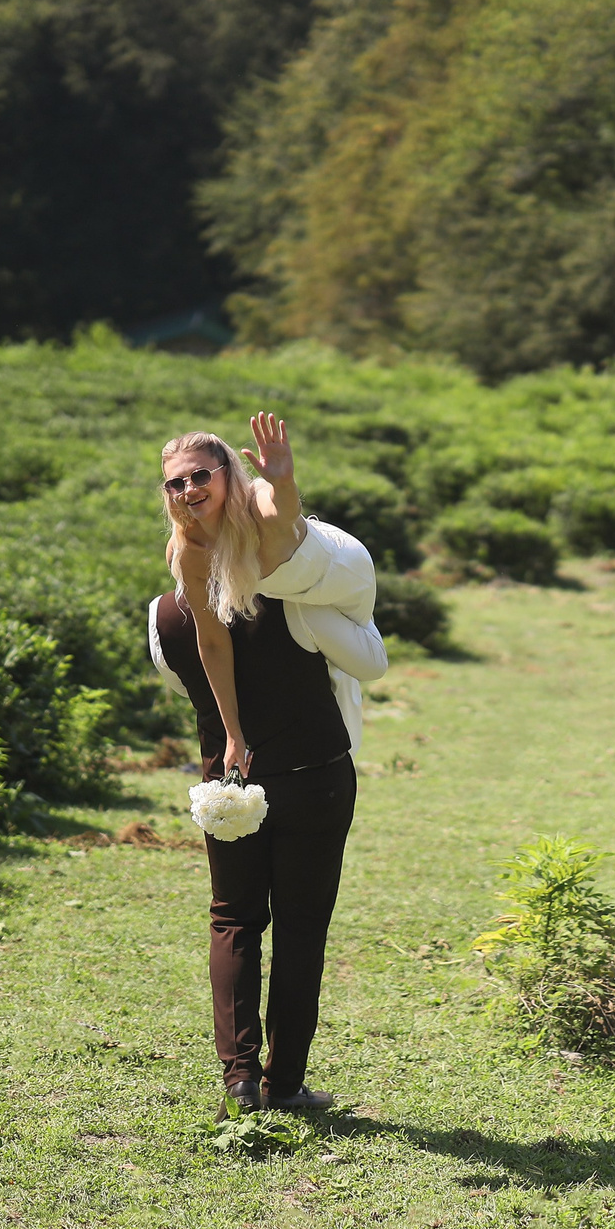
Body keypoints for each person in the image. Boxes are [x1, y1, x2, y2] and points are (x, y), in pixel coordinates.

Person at [147, 413, 386, 1115]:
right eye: (175, 482)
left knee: (244, 919)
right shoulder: (189, 549)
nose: (188, 490)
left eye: (200, 475)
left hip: (288, 779)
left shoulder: (268, 527)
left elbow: (282, 526)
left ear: (229, 474)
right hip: (281, 774)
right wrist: (232, 733)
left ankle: (264, 1081)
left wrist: (281, 476)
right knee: (270, 923)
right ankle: (253, 1082)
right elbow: (213, 645)